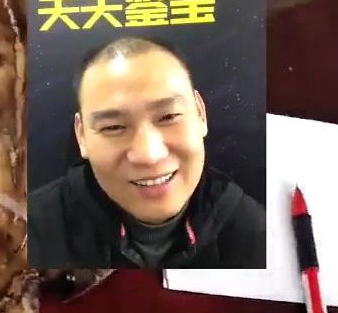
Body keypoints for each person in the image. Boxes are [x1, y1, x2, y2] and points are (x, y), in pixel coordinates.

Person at [28, 37, 266, 269]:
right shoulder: (30, 231)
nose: (150, 155)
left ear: (200, 114)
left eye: (169, 116)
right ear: (82, 136)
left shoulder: (252, 232)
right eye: (113, 127)